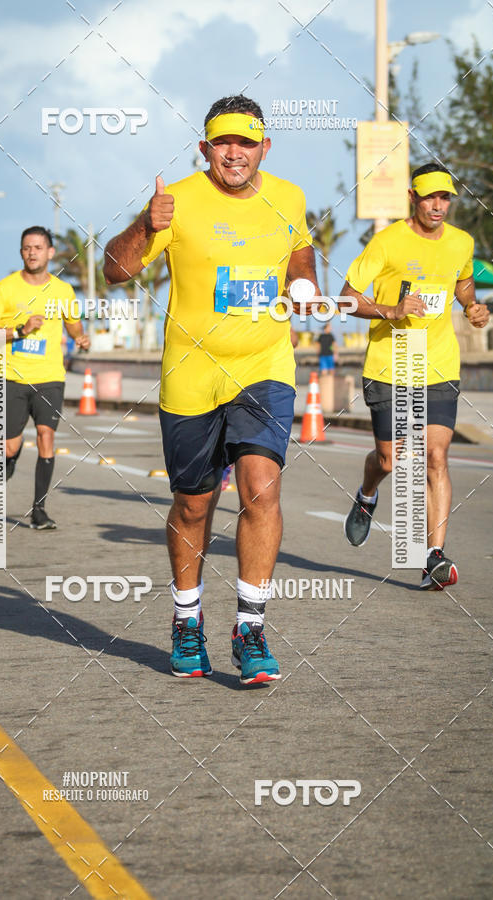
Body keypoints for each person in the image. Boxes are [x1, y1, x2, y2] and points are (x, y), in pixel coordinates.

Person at [104, 95, 320, 684]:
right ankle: (186, 619)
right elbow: (115, 270)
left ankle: (250, 628)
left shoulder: (289, 196)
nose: (234, 153)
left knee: (260, 490)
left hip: (264, 366)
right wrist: (146, 225)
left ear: (264, 147)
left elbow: (298, 251)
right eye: (223, 142)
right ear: (204, 148)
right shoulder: (176, 202)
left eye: (246, 142)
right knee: (194, 504)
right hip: (191, 374)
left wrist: (304, 283)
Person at [340, 162, 489, 589]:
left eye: (445, 198)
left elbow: (462, 281)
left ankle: (432, 558)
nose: (438, 206)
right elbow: (348, 298)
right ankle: (368, 493)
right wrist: (390, 310)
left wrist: (471, 306)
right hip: (389, 364)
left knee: (435, 456)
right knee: (391, 460)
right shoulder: (386, 242)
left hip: (437, 363)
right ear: (412, 197)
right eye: (430, 198)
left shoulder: (461, 242)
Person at [0, 226, 90, 530]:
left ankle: (39, 510)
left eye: (38, 247)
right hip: (11, 378)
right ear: (21, 252)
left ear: (50, 253)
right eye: (27, 248)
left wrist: (80, 337)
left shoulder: (63, 291)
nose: (32, 253)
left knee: (46, 436)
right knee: (9, 447)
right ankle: (10, 457)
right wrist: (20, 330)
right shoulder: (5, 288)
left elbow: (73, 324)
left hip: (50, 377)